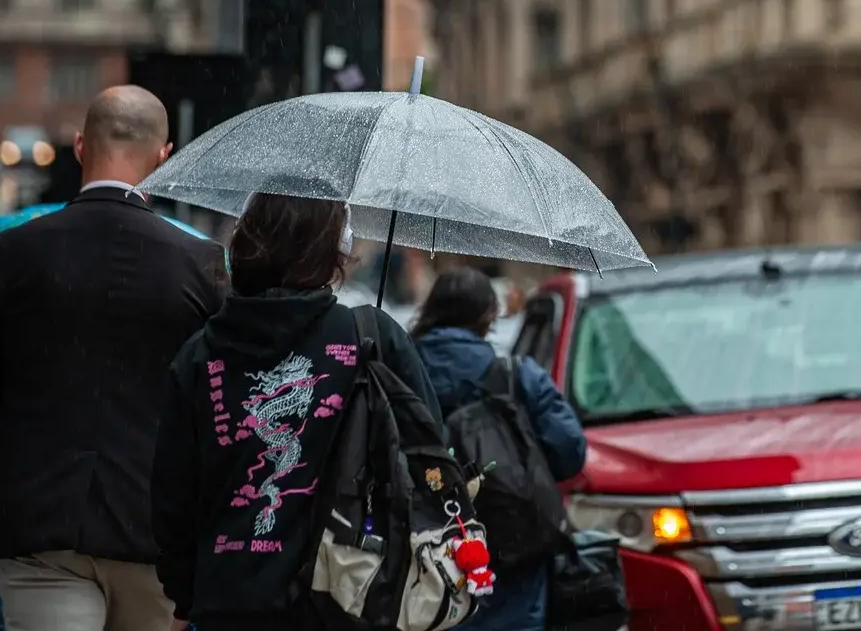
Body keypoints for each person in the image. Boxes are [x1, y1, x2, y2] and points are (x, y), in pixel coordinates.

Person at [151, 194, 441, 631]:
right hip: (349, 595)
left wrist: (187, 593)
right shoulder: (371, 337)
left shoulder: (201, 354)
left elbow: (173, 495)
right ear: (334, 248)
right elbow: (428, 454)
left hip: (229, 600)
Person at [0, 85, 228, 631]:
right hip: (155, 538)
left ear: (79, 146)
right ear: (164, 155)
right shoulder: (200, 264)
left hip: (40, 529)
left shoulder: (13, 253)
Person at [411, 267, 587, 631]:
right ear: (488, 315)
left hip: (422, 546)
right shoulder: (516, 375)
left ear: (431, 310)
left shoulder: (398, 373)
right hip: (513, 544)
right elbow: (570, 451)